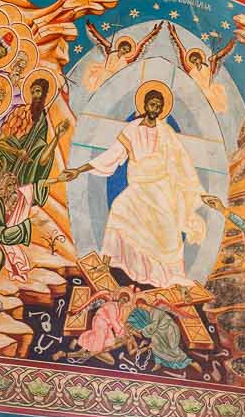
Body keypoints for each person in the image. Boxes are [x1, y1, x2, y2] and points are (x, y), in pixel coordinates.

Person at [66, 79, 210, 289]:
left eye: (159, 106)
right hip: (139, 187)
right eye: (152, 104)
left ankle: (170, 275)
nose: (155, 109)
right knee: (119, 209)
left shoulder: (166, 133)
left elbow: (183, 163)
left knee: (168, 233)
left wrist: (199, 193)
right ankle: (106, 263)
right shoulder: (132, 130)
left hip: (160, 190)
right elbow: (112, 155)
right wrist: (80, 169)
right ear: (145, 105)